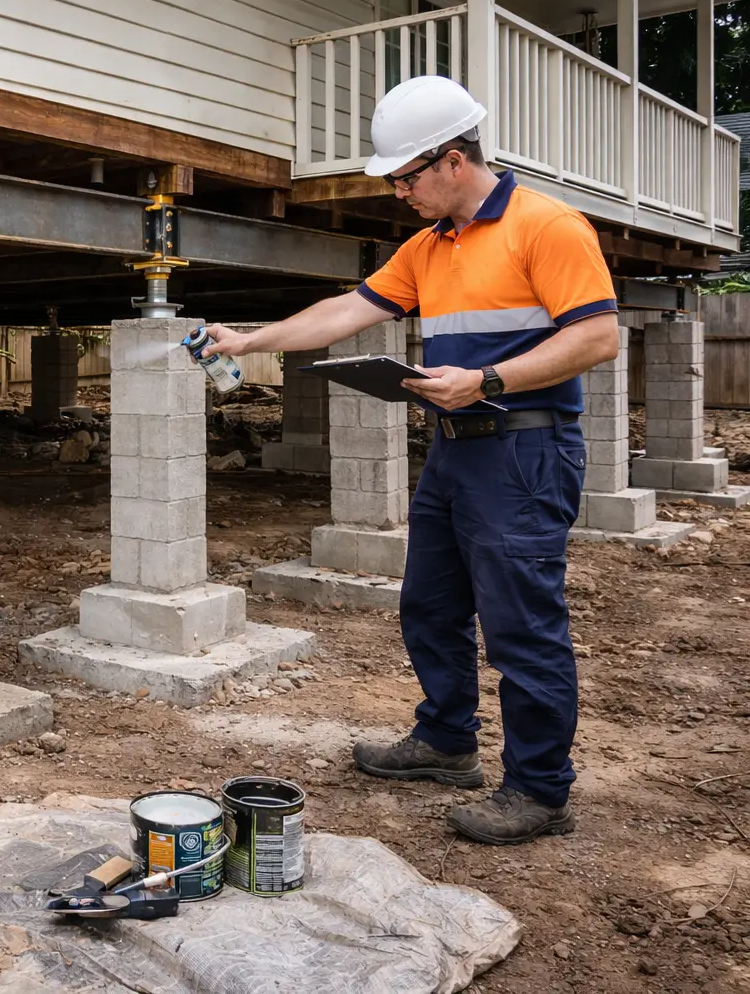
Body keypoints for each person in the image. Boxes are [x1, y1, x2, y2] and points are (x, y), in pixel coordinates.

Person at [203, 75, 620, 845]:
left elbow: (597, 337)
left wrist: (488, 378)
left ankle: (539, 789)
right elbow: (345, 312)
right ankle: (447, 742)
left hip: (525, 450)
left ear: (453, 161)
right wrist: (248, 340)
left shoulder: (547, 226)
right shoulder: (427, 247)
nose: (399, 191)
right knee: (428, 604)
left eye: (406, 176)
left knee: (521, 626)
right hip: (455, 452)